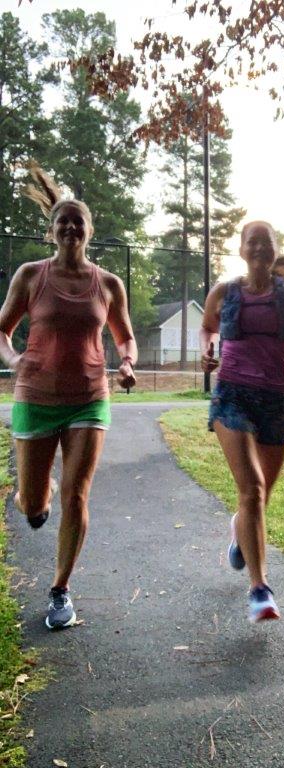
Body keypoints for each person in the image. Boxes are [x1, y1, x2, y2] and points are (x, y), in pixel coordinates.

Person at [0, 163, 137, 630]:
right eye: (63, 220)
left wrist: (127, 363)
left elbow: (126, 337)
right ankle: (34, 497)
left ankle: (60, 590)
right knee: (34, 505)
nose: (71, 227)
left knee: (78, 494)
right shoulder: (30, 276)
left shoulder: (109, 284)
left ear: (88, 230)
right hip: (35, 396)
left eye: (78, 220)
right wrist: (15, 359)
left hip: (90, 397)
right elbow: (2, 330)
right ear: (52, 230)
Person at [200, 220, 284, 623]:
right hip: (233, 394)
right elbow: (206, 329)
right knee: (252, 488)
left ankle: (240, 529)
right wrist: (207, 351)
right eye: (251, 242)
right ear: (241, 249)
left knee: (261, 495)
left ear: (275, 250)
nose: (258, 248)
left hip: (277, 398)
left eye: (266, 243)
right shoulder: (224, 292)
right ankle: (260, 589)